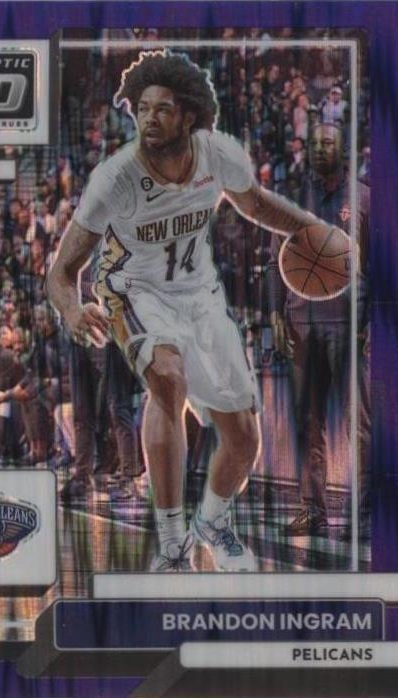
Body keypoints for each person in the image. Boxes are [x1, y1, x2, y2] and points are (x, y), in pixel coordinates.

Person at [47, 50, 333, 572]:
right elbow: (61, 270)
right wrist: (71, 309)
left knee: (244, 438)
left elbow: (257, 204)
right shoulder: (115, 177)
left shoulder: (218, 154)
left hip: (199, 295)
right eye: (142, 108)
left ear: (189, 115)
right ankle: (173, 543)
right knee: (167, 377)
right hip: (133, 290)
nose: (148, 118)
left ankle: (213, 523)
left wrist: (315, 230)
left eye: (162, 108)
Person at [267, 121, 370, 537]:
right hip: (302, 323)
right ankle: (312, 508)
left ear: (343, 149)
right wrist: (276, 312)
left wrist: (374, 323)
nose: (318, 148)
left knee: (358, 422)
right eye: (313, 142)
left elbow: (385, 265)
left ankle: (365, 512)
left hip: (349, 325)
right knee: (307, 422)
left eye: (327, 142)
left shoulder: (364, 198)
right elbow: (275, 259)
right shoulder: (293, 200)